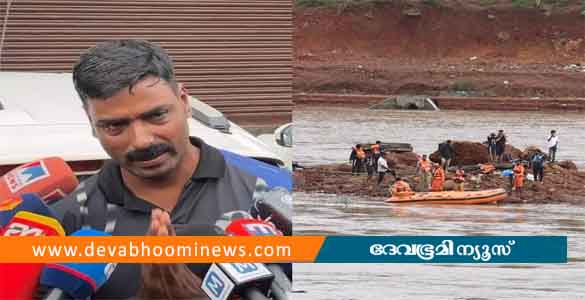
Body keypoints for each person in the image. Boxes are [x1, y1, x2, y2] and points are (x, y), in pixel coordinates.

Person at [45, 40, 291, 299]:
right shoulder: (66, 221)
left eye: (156, 116)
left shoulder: (272, 194)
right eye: (115, 126)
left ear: (184, 101)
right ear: (92, 124)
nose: (142, 141)